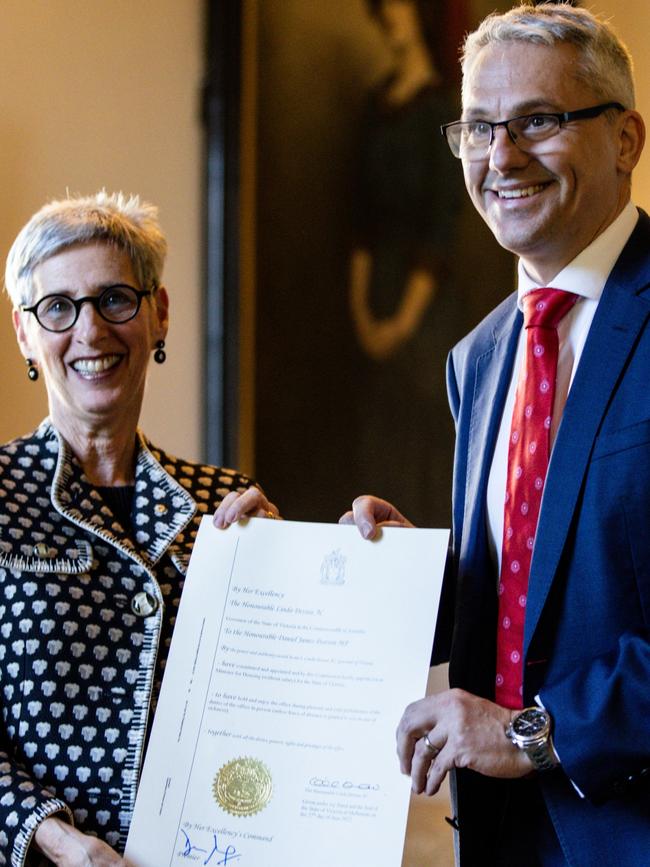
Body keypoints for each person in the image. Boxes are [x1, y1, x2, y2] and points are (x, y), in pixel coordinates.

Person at [342, 4, 650, 865]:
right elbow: (531, 589)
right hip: (499, 840)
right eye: (478, 128)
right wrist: (403, 583)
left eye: (538, 122)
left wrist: (529, 733)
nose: (502, 156)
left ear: (625, 138)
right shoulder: (477, 360)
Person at [0, 192, 277, 866]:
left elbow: (273, 712)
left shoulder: (226, 506)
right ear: (24, 333)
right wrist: (55, 838)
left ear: (158, 314)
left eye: (114, 299)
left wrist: (301, 575)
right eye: (58, 307)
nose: (91, 332)